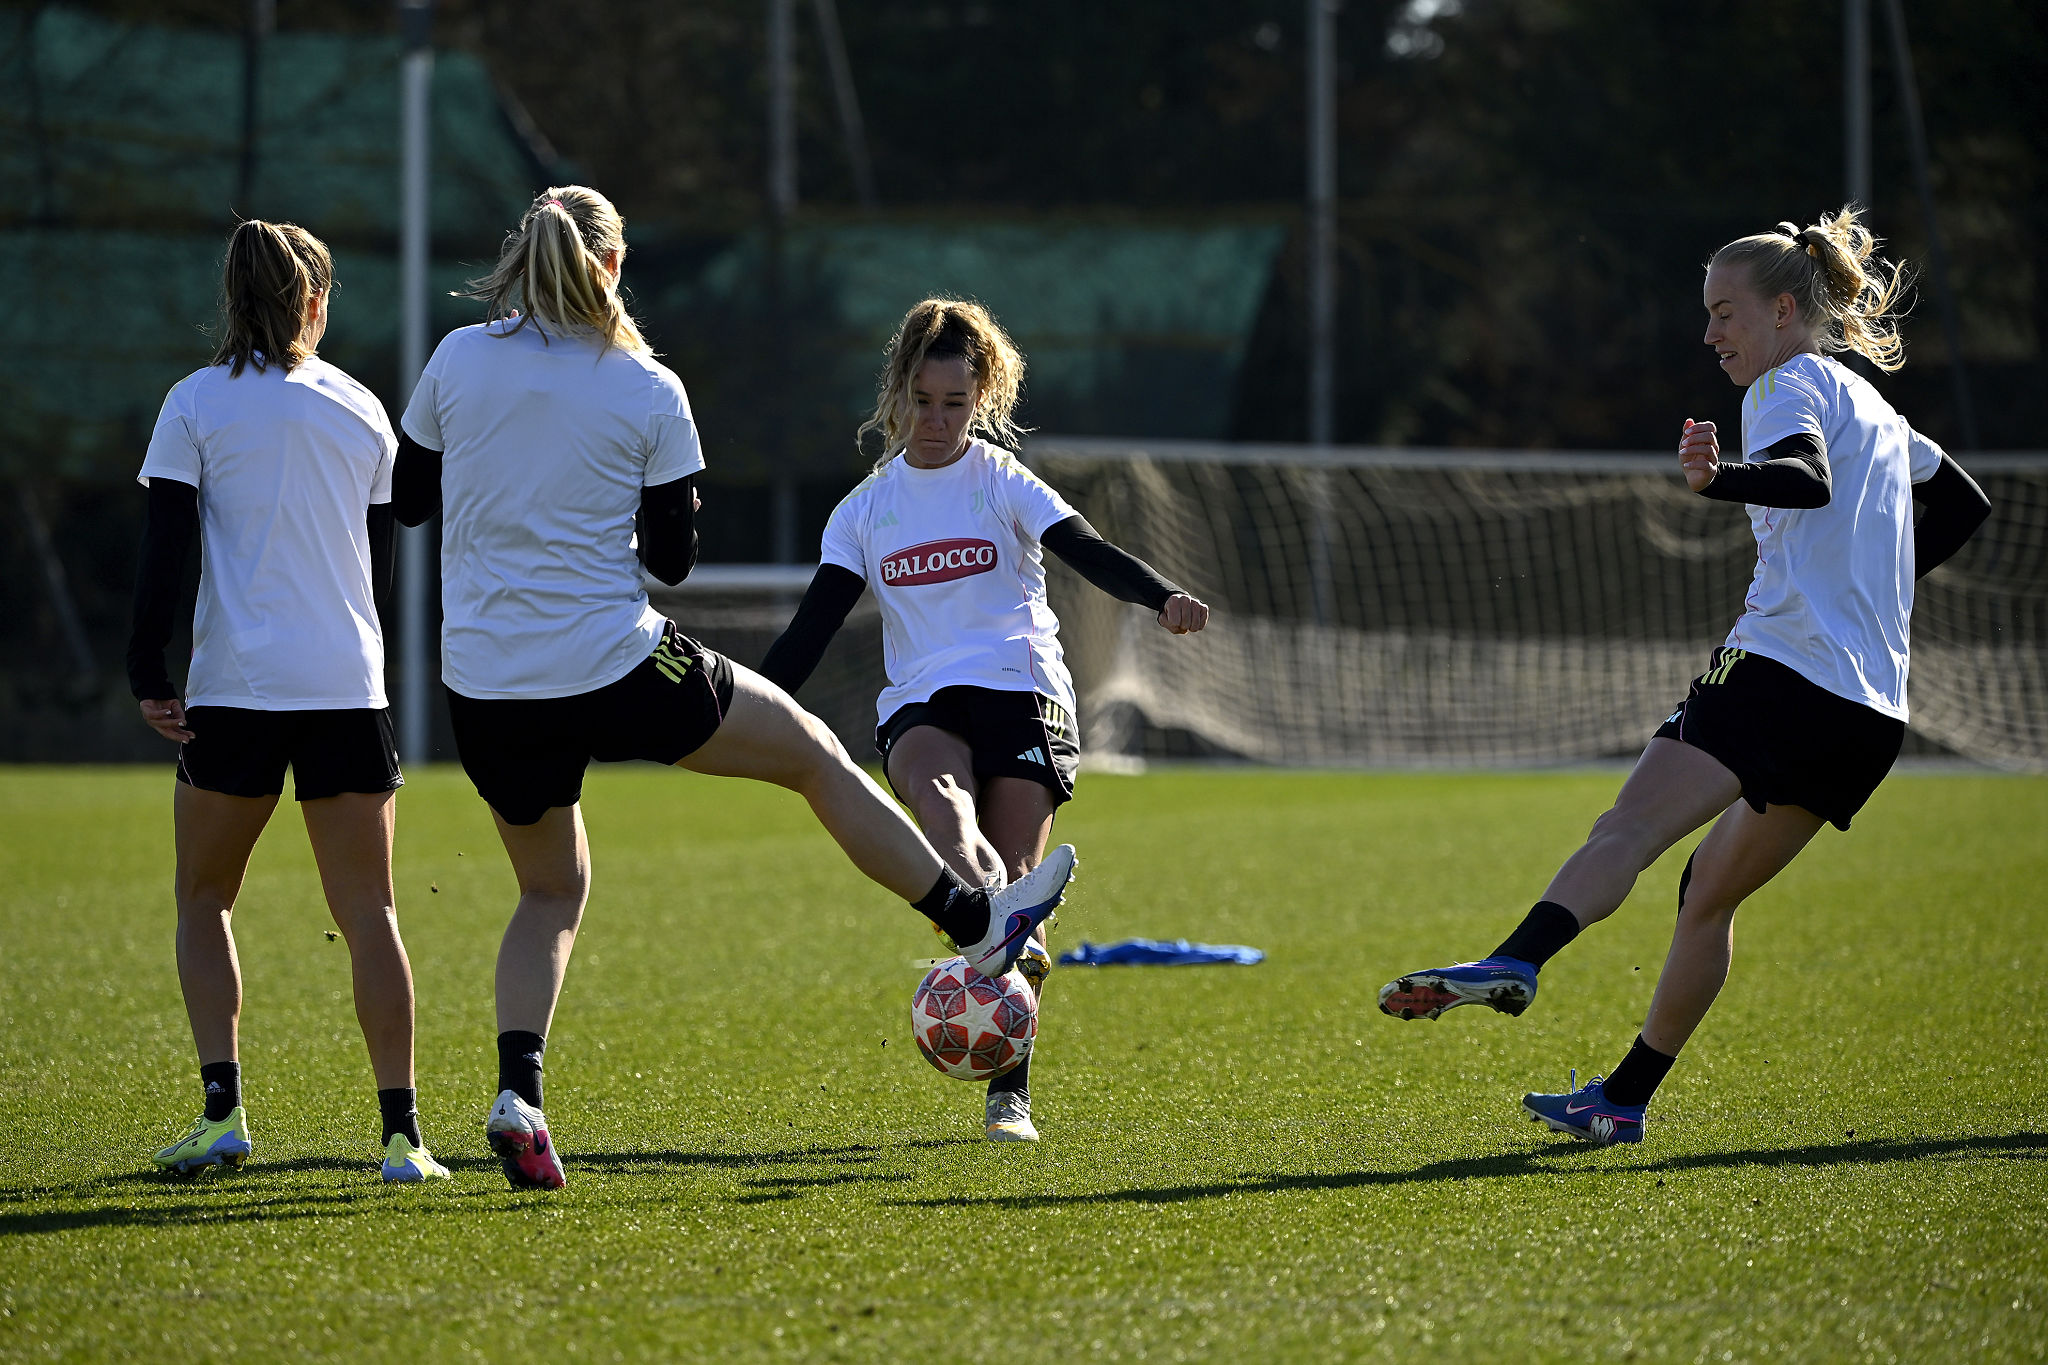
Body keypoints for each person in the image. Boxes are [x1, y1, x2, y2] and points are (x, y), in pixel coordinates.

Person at [391, 188, 1075, 1190]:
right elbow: (670, 563)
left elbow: (409, 498)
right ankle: (970, 918)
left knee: (548, 889)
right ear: (614, 267)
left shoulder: (456, 357)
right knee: (811, 754)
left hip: (485, 682)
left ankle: (518, 1095)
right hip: (611, 661)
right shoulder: (643, 386)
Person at [1376, 206, 1992, 1145]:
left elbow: (1804, 475)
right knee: (1708, 891)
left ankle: (1516, 958)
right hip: (1869, 714)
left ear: (1785, 310)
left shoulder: (1785, 385)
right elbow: (1963, 501)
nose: (1710, 335)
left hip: (1783, 672)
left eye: (1724, 313)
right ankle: (1622, 1098)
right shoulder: (1874, 405)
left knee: (1628, 826)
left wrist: (1722, 479)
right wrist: (1875, 580)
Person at [759, 298, 1210, 1142]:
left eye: (954, 404)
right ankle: (1001, 931)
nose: (935, 421)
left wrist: (1162, 598)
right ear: (897, 394)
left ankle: (1010, 1094)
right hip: (923, 701)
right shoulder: (862, 512)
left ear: (982, 397)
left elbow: (1086, 549)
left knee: (1012, 877)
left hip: (1024, 691)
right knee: (949, 815)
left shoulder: (1001, 480)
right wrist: (729, 704)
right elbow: (807, 635)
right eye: (921, 402)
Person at [128, 220, 450, 1183]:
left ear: (234, 298)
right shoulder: (360, 407)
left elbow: (165, 556)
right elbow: (384, 570)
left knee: (202, 897)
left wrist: (149, 671)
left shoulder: (191, 405)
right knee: (372, 914)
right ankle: (403, 1138)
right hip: (347, 687)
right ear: (315, 298)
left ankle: (221, 1113)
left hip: (237, 689)